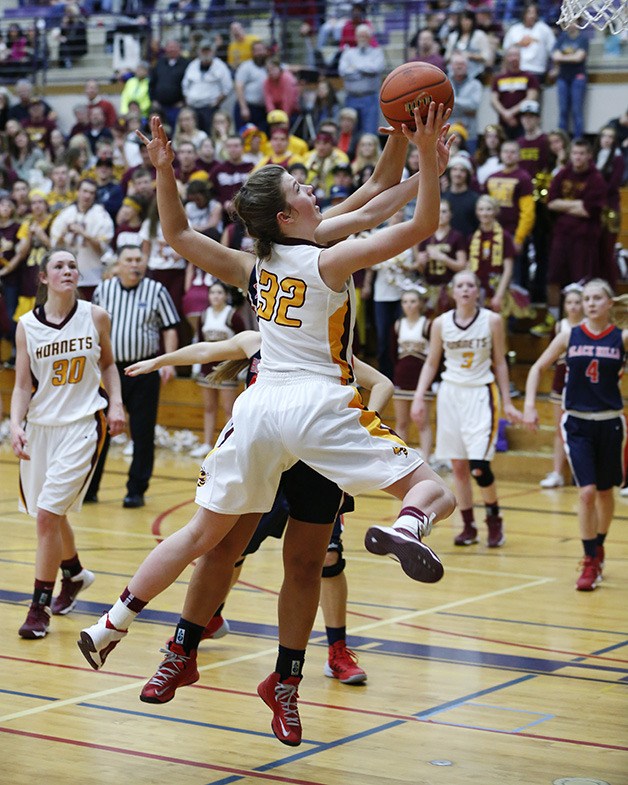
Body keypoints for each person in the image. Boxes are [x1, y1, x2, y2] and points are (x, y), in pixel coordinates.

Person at [77, 108, 456, 747]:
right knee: (424, 492)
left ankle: (118, 623)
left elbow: (176, 233)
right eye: (301, 188)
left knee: (234, 540)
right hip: (317, 408)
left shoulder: (258, 262)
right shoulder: (328, 258)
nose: (312, 189)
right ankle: (405, 525)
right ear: (286, 215)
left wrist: (164, 171)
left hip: (258, 410)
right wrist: (430, 167)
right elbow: (411, 218)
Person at [125, 331, 395, 694]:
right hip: (265, 467)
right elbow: (206, 349)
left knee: (326, 560)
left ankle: (337, 651)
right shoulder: (257, 339)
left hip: (315, 466)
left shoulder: (324, 348)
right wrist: (160, 360)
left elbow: (381, 382)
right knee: (227, 550)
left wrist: (360, 423)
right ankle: (206, 620)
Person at [9, 248, 125, 639]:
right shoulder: (26, 325)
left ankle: (38, 608)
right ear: (43, 277)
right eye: (58, 266)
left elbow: (109, 364)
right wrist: (15, 424)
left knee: (46, 514)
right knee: (53, 514)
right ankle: (73, 573)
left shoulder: (96, 316)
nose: (67, 270)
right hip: (41, 428)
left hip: (82, 424)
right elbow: (23, 383)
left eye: (72, 265)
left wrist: (116, 405)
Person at [523, 278, 627, 591]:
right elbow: (537, 368)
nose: (591, 303)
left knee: (606, 493)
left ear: (609, 304)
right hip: (577, 423)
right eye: (587, 298)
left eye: (598, 298)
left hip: (610, 422)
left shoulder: (621, 338)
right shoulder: (570, 334)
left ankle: (599, 545)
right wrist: (529, 404)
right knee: (586, 491)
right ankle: (588, 559)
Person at [411, 270, 521, 547]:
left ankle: (494, 519)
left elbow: (500, 362)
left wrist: (507, 401)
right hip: (450, 394)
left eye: (470, 285)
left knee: (480, 466)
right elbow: (432, 363)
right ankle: (468, 525)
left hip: (481, 393)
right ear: (452, 291)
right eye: (460, 285)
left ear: (477, 291)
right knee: (458, 466)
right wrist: (419, 396)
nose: (465, 290)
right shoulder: (440, 323)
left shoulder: (492, 320)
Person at [85, 245, 179, 507]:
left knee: (142, 432)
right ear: (119, 265)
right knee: (100, 429)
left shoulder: (156, 290)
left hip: (144, 371)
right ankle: (90, 488)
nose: (134, 264)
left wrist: (168, 361)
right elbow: (90, 328)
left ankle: (135, 490)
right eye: (129, 260)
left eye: (139, 260)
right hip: (108, 369)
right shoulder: (104, 290)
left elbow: (170, 327)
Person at [190, 281, 246, 459]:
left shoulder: (233, 316)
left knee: (229, 410)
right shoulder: (204, 316)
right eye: (213, 293)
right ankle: (207, 444)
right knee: (209, 408)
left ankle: (227, 446)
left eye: (219, 293)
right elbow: (199, 342)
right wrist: (196, 366)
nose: (216, 296)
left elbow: (244, 341)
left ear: (226, 296)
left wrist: (241, 369)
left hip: (227, 369)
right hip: (207, 369)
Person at [539, 283, 583, 489]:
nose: (573, 306)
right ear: (564, 306)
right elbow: (551, 357)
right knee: (560, 430)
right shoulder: (559, 327)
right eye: (570, 302)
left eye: (577, 302)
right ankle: (557, 473)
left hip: (583, 385)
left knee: (581, 430)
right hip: (561, 383)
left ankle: (580, 474)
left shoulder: (588, 326)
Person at [49, 178, 115, 301]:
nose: (87, 196)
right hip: (67, 277)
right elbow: (55, 248)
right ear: (77, 192)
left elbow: (102, 249)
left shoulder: (101, 216)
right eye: (84, 191)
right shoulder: (65, 214)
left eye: (91, 193)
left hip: (93, 276)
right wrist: (64, 234)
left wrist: (84, 234)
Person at [392, 287, 433, 459]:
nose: (409, 305)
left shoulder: (428, 325)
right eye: (405, 302)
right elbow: (392, 354)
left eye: (413, 301)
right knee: (401, 422)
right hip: (401, 378)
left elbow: (435, 356)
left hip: (421, 380)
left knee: (422, 423)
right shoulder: (397, 325)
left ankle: (427, 460)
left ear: (420, 304)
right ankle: (402, 460)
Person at [338, 24, 386, 136]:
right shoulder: (348, 53)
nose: (362, 38)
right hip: (351, 98)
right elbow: (343, 71)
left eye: (365, 36)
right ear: (356, 37)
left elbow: (375, 68)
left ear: (370, 38)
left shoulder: (377, 52)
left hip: (370, 98)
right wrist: (365, 71)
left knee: (369, 133)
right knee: (349, 133)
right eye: (360, 36)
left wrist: (355, 68)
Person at [181, 39, 233, 134]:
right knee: (193, 133)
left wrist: (216, 102)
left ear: (212, 51)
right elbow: (185, 85)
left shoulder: (220, 66)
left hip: (209, 108)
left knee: (209, 133)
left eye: (208, 50)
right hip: (193, 107)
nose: (205, 53)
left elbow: (227, 87)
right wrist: (187, 99)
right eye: (203, 50)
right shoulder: (193, 65)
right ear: (199, 51)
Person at [490, 47, 540, 140]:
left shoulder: (529, 77)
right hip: (503, 122)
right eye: (511, 55)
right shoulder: (499, 78)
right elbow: (494, 100)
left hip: (523, 123)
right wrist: (505, 114)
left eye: (516, 55)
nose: (514, 58)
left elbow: (531, 97)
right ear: (506, 58)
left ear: (520, 57)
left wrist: (511, 112)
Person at [551, 22, 589, 141]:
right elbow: (555, 56)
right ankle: (561, 140)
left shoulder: (583, 39)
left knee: (576, 110)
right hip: (562, 77)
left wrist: (563, 58)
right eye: (569, 22)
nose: (571, 24)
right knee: (563, 110)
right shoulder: (562, 38)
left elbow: (579, 57)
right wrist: (572, 57)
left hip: (578, 77)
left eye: (574, 21)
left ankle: (578, 140)